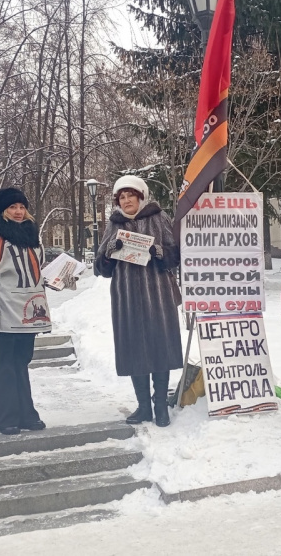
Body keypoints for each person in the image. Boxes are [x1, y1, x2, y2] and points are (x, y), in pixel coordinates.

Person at [94, 175, 183, 428]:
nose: (126, 200)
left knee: (159, 348)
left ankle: (160, 406)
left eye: (130, 195)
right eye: (121, 197)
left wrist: (159, 252)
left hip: (158, 294)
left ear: (141, 196)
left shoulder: (158, 217)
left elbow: (175, 255)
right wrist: (110, 250)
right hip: (126, 297)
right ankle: (143, 406)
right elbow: (100, 267)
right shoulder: (113, 224)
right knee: (134, 350)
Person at [0, 188, 52, 436]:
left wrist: (62, 277)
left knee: (21, 362)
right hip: (6, 307)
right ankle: (5, 416)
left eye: (21, 207)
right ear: (3, 210)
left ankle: (26, 413)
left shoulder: (32, 236)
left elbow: (36, 271)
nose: (19, 212)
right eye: (12, 208)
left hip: (30, 308)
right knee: (5, 363)